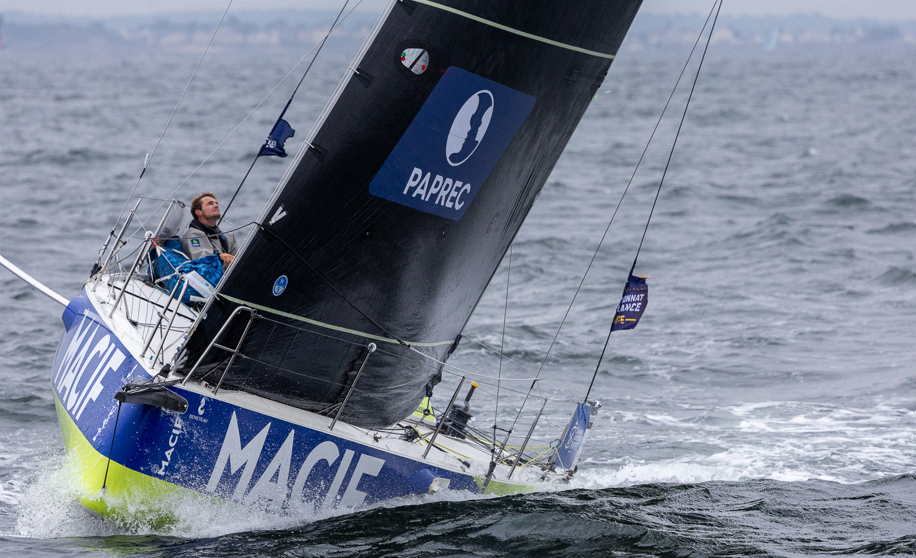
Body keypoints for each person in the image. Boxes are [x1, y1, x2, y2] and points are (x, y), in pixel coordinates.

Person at [180, 192, 238, 268]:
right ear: (198, 212)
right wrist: (220, 257)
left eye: (216, 203)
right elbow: (202, 263)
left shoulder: (229, 237)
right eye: (210, 203)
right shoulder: (191, 236)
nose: (216, 205)